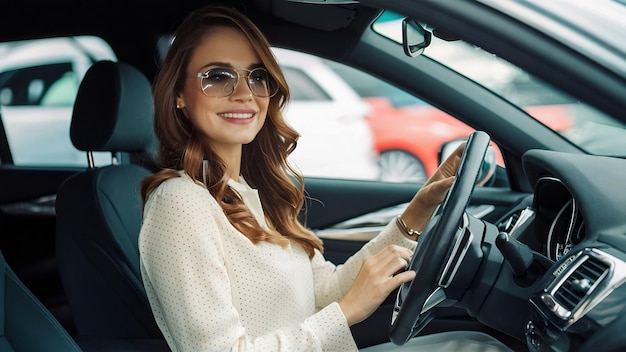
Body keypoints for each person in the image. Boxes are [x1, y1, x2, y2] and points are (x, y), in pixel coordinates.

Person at [138, 4, 511, 352]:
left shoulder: (254, 194)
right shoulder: (180, 202)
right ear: (179, 95)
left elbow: (323, 292)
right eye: (217, 77)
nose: (243, 93)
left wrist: (419, 209)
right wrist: (347, 312)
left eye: (257, 76)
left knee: (476, 342)